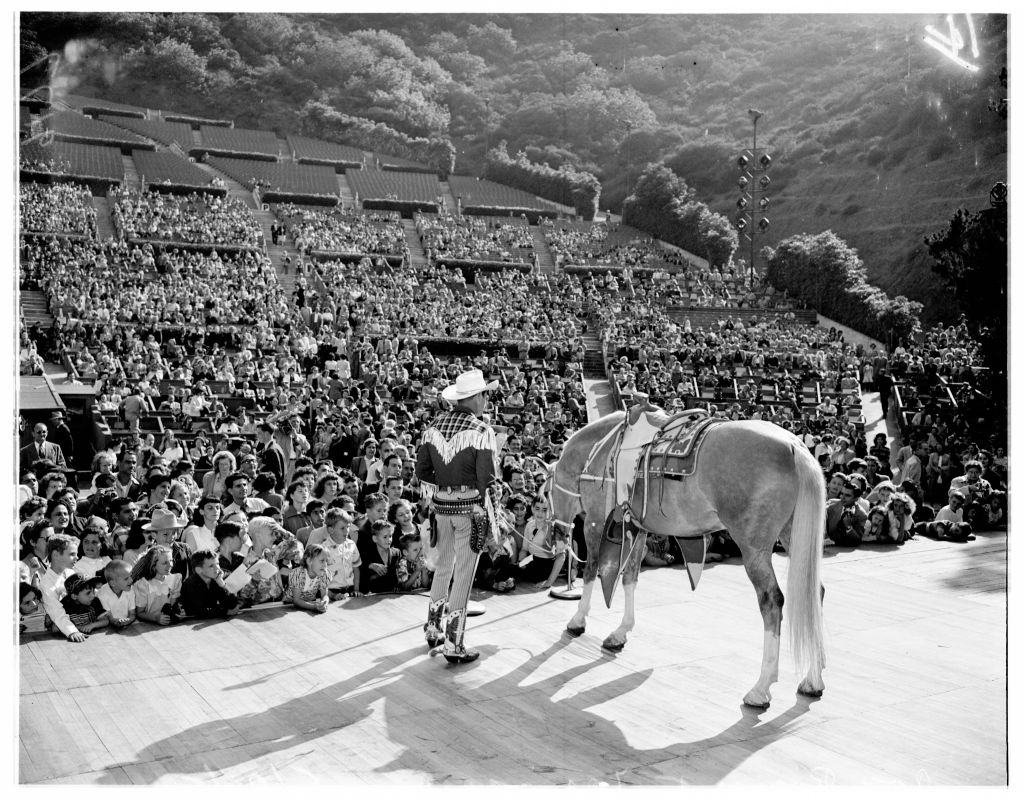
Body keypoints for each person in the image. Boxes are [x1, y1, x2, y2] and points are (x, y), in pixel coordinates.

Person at [415, 368, 500, 664]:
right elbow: (486, 480)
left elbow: (422, 471)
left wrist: (443, 487)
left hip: (441, 506)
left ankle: (434, 628)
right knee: (463, 573)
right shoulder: (480, 431)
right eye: (485, 394)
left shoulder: (432, 428)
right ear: (476, 397)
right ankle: (454, 642)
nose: (487, 400)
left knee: (443, 568)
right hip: (470, 508)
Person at [38, 533, 87, 642]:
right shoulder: (46, 584)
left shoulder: (70, 572)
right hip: (59, 627)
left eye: (77, 554)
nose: (77, 557)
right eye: (72, 554)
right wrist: (72, 631)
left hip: (82, 620)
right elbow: (56, 611)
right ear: (55, 554)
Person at [180, 550, 241, 619]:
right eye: (211, 566)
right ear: (199, 570)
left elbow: (232, 605)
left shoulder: (216, 579)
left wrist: (222, 584)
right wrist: (225, 611)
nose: (217, 568)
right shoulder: (191, 585)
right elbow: (199, 611)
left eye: (217, 564)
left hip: (213, 621)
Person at [290, 543, 331, 613]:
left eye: (326, 561)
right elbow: (296, 600)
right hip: (287, 606)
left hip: (309, 604)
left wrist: (324, 603)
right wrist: (314, 607)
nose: (325, 565)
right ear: (309, 561)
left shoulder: (324, 573)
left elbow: (324, 595)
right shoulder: (298, 574)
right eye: (322, 561)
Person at [96, 560, 137, 630]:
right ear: (113, 583)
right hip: (107, 628)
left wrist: (128, 620)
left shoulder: (130, 590)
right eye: (126, 578)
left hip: (127, 625)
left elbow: (132, 614)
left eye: (131, 576)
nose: (131, 580)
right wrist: (118, 621)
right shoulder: (102, 594)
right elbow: (109, 618)